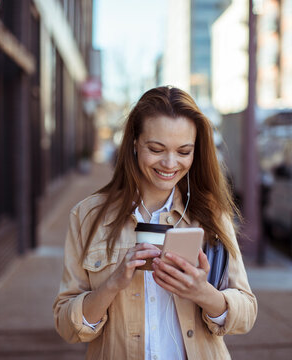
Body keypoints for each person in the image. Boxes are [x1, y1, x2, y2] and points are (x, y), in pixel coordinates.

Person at [53, 86, 257, 359]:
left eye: (184, 151)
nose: (170, 163)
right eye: (156, 149)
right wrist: (112, 285)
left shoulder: (212, 214)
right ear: (134, 143)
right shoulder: (87, 216)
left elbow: (246, 313)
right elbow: (67, 326)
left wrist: (203, 293)